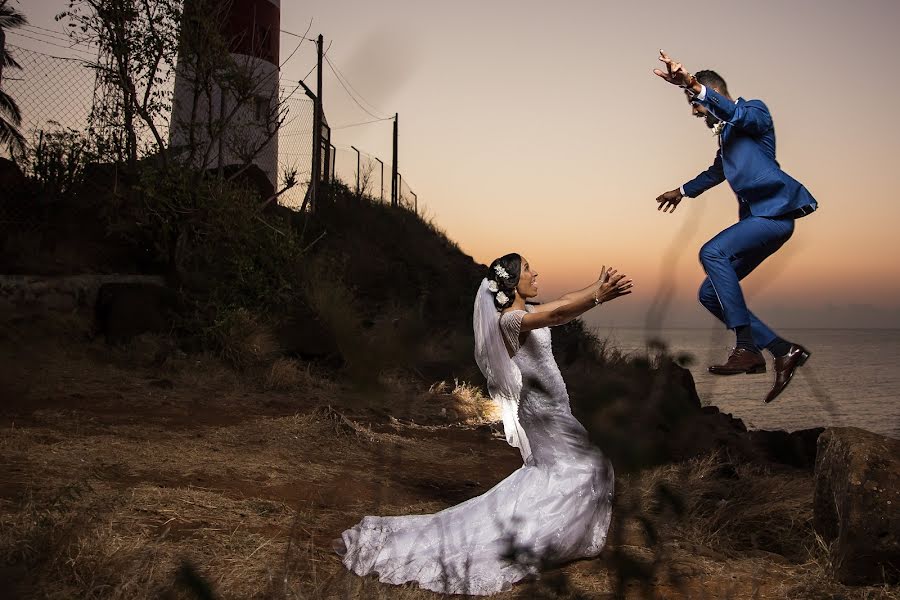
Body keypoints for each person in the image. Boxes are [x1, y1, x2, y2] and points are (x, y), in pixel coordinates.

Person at [334, 254, 632, 595]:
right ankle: (543, 538)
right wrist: (598, 298)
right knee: (584, 468)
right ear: (511, 283)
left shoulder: (529, 311)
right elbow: (560, 313)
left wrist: (598, 285)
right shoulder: (510, 320)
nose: (535, 273)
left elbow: (563, 304)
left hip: (551, 406)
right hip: (543, 411)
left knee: (568, 470)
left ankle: (555, 532)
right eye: (527, 270)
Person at [652, 50, 818, 403]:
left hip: (774, 215)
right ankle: (783, 350)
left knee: (712, 252)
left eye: (695, 103)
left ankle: (746, 347)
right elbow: (717, 172)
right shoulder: (726, 137)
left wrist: (692, 86)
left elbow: (736, 113)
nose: (695, 111)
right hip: (757, 220)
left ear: (712, 92)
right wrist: (680, 191)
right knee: (708, 293)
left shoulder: (754, 111)